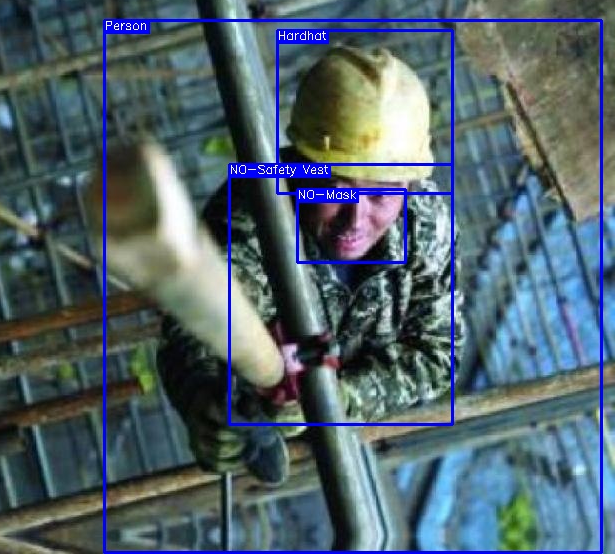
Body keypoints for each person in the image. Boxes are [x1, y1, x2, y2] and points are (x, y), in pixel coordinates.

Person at [157, 46, 465, 477]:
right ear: (302, 165)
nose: (355, 219)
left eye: (381, 195)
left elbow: (438, 352)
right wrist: (204, 402)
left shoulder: (427, 226)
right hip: (264, 420)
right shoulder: (252, 211)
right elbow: (198, 325)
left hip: (361, 443)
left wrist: (345, 399)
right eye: (336, 190)